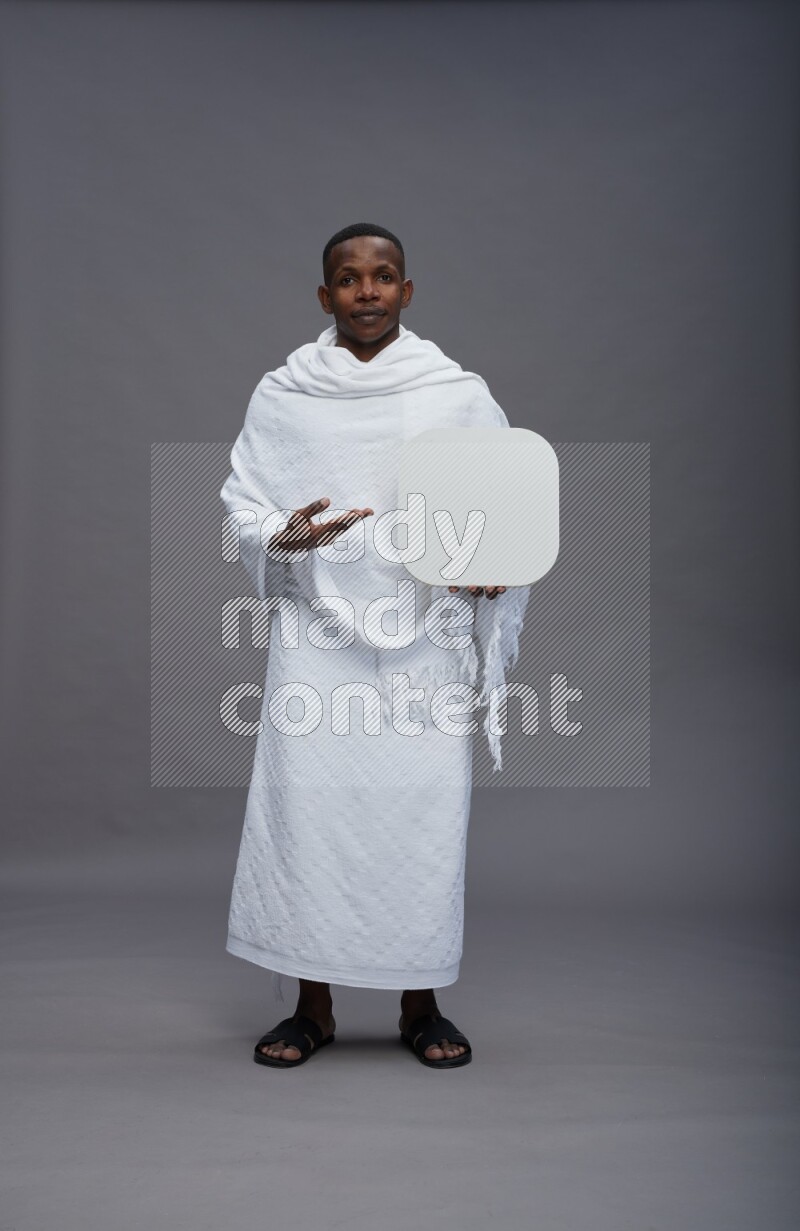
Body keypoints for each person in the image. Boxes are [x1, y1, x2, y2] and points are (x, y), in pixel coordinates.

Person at [220, 223, 529, 1069]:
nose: (367, 290)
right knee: (309, 812)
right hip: (316, 636)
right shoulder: (284, 394)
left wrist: (491, 567)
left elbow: (501, 498)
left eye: (384, 276)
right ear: (325, 297)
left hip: (424, 639)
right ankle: (311, 1007)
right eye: (349, 279)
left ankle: (420, 1002)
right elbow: (244, 504)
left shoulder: (454, 393)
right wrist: (283, 536)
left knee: (417, 816)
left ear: (407, 291)